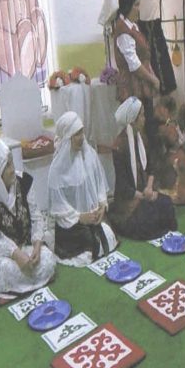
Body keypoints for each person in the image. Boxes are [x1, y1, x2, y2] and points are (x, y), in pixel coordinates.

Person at [0, 135, 57, 293]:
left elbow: (37, 218)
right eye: (6, 167)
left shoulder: (25, 182)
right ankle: (34, 281)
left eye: (11, 163)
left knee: (47, 259)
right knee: (1, 271)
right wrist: (16, 254)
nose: (12, 170)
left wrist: (37, 245)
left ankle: (18, 288)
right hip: (6, 255)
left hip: (28, 247)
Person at [47, 112, 119, 265]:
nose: (81, 137)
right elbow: (59, 207)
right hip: (71, 223)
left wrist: (102, 205)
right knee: (88, 248)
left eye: (82, 132)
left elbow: (100, 184)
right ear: (67, 138)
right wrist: (79, 217)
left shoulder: (89, 155)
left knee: (108, 234)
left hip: (93, 217)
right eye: (76, 134)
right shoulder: (56, 169)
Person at [110, 96, 177, 239]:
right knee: (147, 219)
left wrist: (149, 188)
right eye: (141, 116)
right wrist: (144, 196)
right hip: (129, 200)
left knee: (166, 204)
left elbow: (151, 166)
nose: (144, 119)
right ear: (133, 120)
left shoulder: (142, 138)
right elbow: (123, 186)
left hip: (145, 192)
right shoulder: (119, 146)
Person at [113, 0, 160, 104]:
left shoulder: (132, 25)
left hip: (141, 85)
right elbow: (134, 64)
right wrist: (153, 80)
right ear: (127, 6)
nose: (138, 9)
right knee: (140, 115)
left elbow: (143, 57)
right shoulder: (123, 31)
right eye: (136, 5)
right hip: (132, 88)